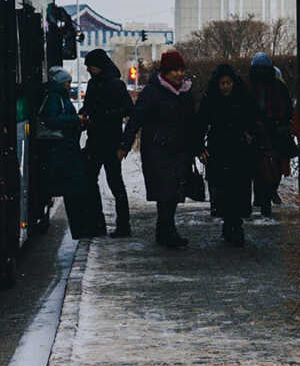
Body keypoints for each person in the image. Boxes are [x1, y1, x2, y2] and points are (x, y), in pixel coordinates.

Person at [119, 49, 198, 249]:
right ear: (165, 73)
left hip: (180, 151)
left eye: (181, 70)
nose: (179, 74)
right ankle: (168, 231)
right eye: (174, 71)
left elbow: (192, 122)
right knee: (166, 191)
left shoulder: (186, 93)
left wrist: (198, 146)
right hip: (157, 150)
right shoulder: (153, 92)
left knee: (174, 193)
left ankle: (164, 230)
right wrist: (125, 145)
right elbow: (136, 119)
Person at [38, 67, 103, 239]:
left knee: (74, 191)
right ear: (60, 82)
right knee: (74, 191)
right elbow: (51, 120)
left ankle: (81, 229)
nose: (69, 84)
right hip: (63, 151)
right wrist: (76, 120)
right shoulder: (54, 97)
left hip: (67, 149)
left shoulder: (58, 96)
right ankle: (81, 230)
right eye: (67, 81)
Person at [196, 64, 257, 246]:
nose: (225, 87)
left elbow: (254, 118)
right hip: (221, 149)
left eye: (228, 83)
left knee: (236, 188)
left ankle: (234, 224)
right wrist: (200, 147)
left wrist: (250, 134)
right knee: (225, 188)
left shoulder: (241, 98)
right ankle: (231, 223)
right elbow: (200, 123)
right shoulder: (214, 99)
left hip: (236, 149)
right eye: (222, 83)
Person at [81, 48, 133, 237]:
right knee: (96, 182)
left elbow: (128, 109)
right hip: (97, 140)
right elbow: (87, 107)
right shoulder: (93, 84)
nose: (89, 70)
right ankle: (98, 223)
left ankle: (120, 225)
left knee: (113, 183)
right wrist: (83, 117)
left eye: (91, 67)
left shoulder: (115, 85)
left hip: (109, 141)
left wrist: (104, 116)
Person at [248, 52, 298, 218]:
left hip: (267, 133)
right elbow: (288, 110)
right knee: (270, 168)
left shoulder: (251, 86)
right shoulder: (276, 86)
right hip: (270, 133)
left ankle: (264, 197)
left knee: (263, 168)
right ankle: (266, 196)